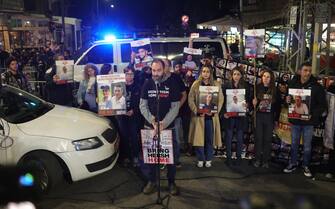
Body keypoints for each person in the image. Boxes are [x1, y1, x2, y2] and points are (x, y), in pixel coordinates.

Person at [139, 59, 180, 195]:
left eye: (158, 70)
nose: (155, 73)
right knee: (151, 157)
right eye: (153, 70)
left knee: (170, 158)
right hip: (150, 127)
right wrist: (152, 121)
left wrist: (163, 123)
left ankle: (171, 182)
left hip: (168, 128)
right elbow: (142, 105)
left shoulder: (172, 84)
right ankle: (152, 181)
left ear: (164, 70)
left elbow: (175, 107)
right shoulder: (147, 83)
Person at [283, 62, 327, 177]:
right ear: (300, 71)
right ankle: (292, 163)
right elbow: (287, 100)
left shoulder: (317, 87)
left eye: (309, 70)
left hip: (309, 122)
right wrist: (286, 100)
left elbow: (322, 105)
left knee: (307, 146)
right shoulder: (293, 83)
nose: (307, 73)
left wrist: (313, 114)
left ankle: (306, 166)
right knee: (294, 144)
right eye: (305, 70)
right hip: (295, 121)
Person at [188, 65, 223, 168]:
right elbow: (190, 99)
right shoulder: (196, 84)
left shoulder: (216, 84)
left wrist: (215, 111)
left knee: (209, 139)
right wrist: (196, 111)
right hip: (199, 117)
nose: (205, 73)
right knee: (198, 139)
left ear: (211, 73)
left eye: (207, 71)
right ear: (201, 72)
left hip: (211, 117)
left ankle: (208, 159)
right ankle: (200, 159)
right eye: (203, 71)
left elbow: (220, 99)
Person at [252, 69, 281, 168]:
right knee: (258, 138)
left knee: (267, 139)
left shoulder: (275, 90)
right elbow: (251, 104)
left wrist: (276, 119)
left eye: (268, 77)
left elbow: (278, 106)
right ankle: (257, 159)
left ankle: (265, 161)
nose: (265, 78)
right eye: (264, 76)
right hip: (259, 116)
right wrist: (253, 104)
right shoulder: (257, 88)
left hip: (269, 117)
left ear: (271, 78)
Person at [222, 66, 250, 166]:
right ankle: (228, 157)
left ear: (241, 75)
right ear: (231, 75)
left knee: (240, 137)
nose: (236, 76)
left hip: (241, 115)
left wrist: (247, 105)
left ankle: (239, 158)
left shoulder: (246, 86)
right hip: (229, 115)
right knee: (228, 137)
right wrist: (224, 112)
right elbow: (223, 101)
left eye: (238, 74)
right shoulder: (226, 85)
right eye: (234, 74)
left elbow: (248, 100)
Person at [163, 59, 187, 168]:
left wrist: (177, 108)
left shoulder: (176, 78)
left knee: (175, 139)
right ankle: (163, 161)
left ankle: (176, 161)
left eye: (165, 65)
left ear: (169, 67)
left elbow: (184, 94)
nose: (162, 67)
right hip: (161, 116)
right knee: (162, 140)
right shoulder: (156, 78)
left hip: (175, 116)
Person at [116, 67, 141, 167]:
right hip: (121, 116)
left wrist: (134, 110)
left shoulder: (138, 87)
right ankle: (126, 156)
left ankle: (135, 157)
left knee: (134, 137)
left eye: (131, 74)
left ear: (134, 75)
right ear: (124, 75)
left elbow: (142, 102)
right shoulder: (118, 86)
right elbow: (114, 101)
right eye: (127, 74)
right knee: (124, 136)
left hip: (134, 116)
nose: (129, 76)